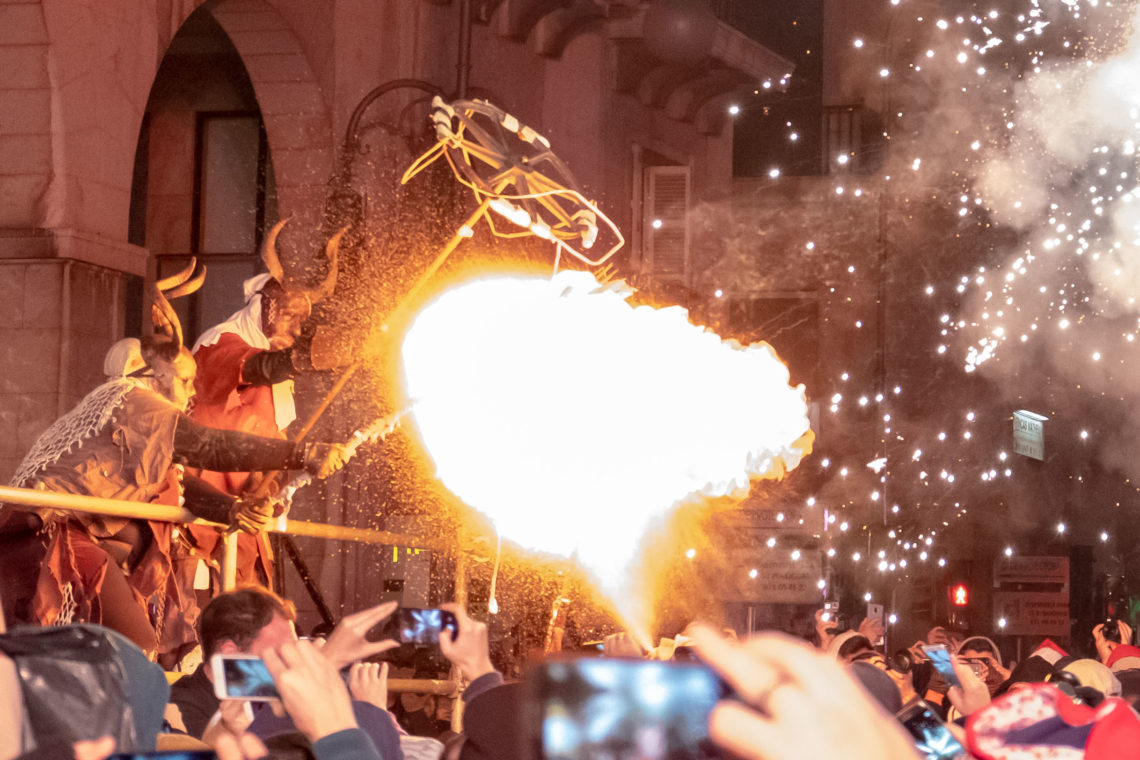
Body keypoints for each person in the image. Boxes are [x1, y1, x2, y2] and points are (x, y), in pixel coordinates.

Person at [0, 266, 348, 660]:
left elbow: (179, 483)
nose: (190, 394)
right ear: (154, 373)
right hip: (50, 534)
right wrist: (301, 453)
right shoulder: (136, 399)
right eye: (184, 381)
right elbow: (207, 445)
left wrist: (232, 508)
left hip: (46, 534)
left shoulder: (125, 416)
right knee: (137, 649)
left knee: (117, 641)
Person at [187, 221, 344, 591]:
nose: (297, 329)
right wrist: (308, 357)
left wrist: (273, 486)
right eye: (290, 315)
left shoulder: (278, 377)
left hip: (246, 520)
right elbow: (255, 368)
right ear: (264, 305)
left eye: (304, 322)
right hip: (200, 510)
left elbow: (275, 447)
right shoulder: (219, 342)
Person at [168, 586, 402, 759]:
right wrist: (325, 664)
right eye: (282, 649)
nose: (295, 656)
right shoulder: (177, 706)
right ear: (230, 651)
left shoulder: (280, 698)